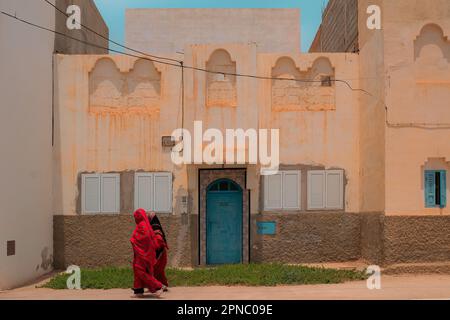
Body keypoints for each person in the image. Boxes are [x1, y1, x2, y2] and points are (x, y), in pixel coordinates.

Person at [130, 208, 163, 296]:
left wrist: (133, 239)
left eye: (136, 216)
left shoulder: (142, 226)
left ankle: (158, 287)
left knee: (140, 271)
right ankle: (138, 290)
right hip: (144, 253)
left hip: (143, 254)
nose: (135, 218)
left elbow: (143, 239)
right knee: (140, 271)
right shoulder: (145, 225)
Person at [149, 212, 169, 290]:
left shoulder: (155, 228)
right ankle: (163, 285)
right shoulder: (157, 226)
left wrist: (156, 254)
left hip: (159, 253)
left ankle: (157, 286)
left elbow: (159, 241)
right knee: (160, 272)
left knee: (155, 271)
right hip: (162, 253)